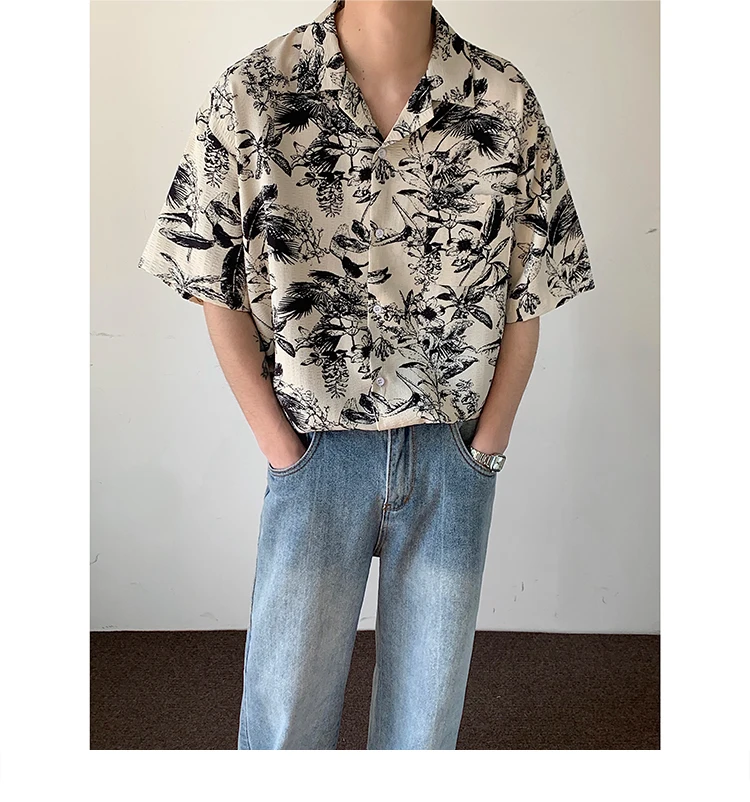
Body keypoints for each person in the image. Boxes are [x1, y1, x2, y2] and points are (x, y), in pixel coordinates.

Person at [137, 0, 595, 750]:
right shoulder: (254, 92)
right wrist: (281, 447)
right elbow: (210, 284)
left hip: (451, 452)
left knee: (425, 725)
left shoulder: (503, 100)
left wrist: (486, 449)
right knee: (285, 722)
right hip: (314, 452)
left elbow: (530, 289)